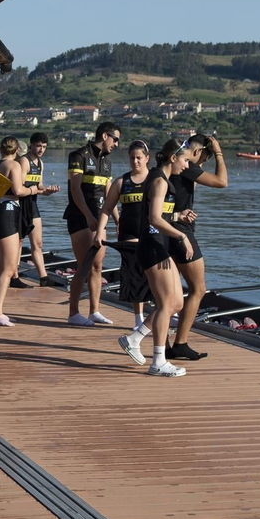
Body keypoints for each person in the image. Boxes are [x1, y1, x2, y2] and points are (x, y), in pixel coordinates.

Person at [112, 139, 195, 377]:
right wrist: (182, 236)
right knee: (166, 304)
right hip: (152, 246)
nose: (186, 166)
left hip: (160, 245)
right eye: (185, 161)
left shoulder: (161, 179)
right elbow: (155, 218)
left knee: (176, 303)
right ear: (173, 158)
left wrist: (178, 216)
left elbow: (161, 214)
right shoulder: (159, 181)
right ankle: (158, 361)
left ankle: (134, 338)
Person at [167, 133, 228, 361]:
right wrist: (219, 153)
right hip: (181, 232)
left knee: (170, 294)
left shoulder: (174, 165)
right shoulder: (188, 167)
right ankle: (180, 343)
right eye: (206, 157)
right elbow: (222, 182)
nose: (205, 162)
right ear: (198, 151)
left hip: (166, 229)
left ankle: (163, 344)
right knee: (198, 289)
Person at [62, 122, 122, 325]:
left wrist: (118, 220)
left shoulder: (106, 162)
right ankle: (73, 313)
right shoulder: (78, 156)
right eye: (115, 139)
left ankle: (94, 311)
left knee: (97, 265)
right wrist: (88, 215)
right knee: (84, 265)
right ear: (105, 136)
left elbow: (109, 195)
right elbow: (75, 190)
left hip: (99, 219)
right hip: (80, 217)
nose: (116, 144)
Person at [97, 140, 154, 335]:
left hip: (151, 234)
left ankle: (160, 313)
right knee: (134, 276)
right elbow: (106, 209)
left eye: (139, 158)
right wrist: (100, 230)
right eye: (132, 158)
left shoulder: (155, 181)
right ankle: (138, 318)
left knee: (152, 277)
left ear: (147, 158)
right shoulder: (122, 182)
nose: (135, 161)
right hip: (129, 235)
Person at [0, 137, 34, 326]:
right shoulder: (14, 165)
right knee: (9, 268)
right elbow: (18, 190)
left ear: (0, 148)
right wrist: (34, 190)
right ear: (18, 150)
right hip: (7, 214)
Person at [10, 132, 60, 288]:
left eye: (44, 147)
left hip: (32, 205)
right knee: (19, 242)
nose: (41, 149)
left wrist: (48, 191)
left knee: (37, 243)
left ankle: (44, 277)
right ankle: (14, 276)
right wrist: (38, 190)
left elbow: (39, 186)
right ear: (31, 145)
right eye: (38, 146)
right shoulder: (24, 161)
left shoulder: (40, 163)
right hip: (20, 205)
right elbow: (20, 187)